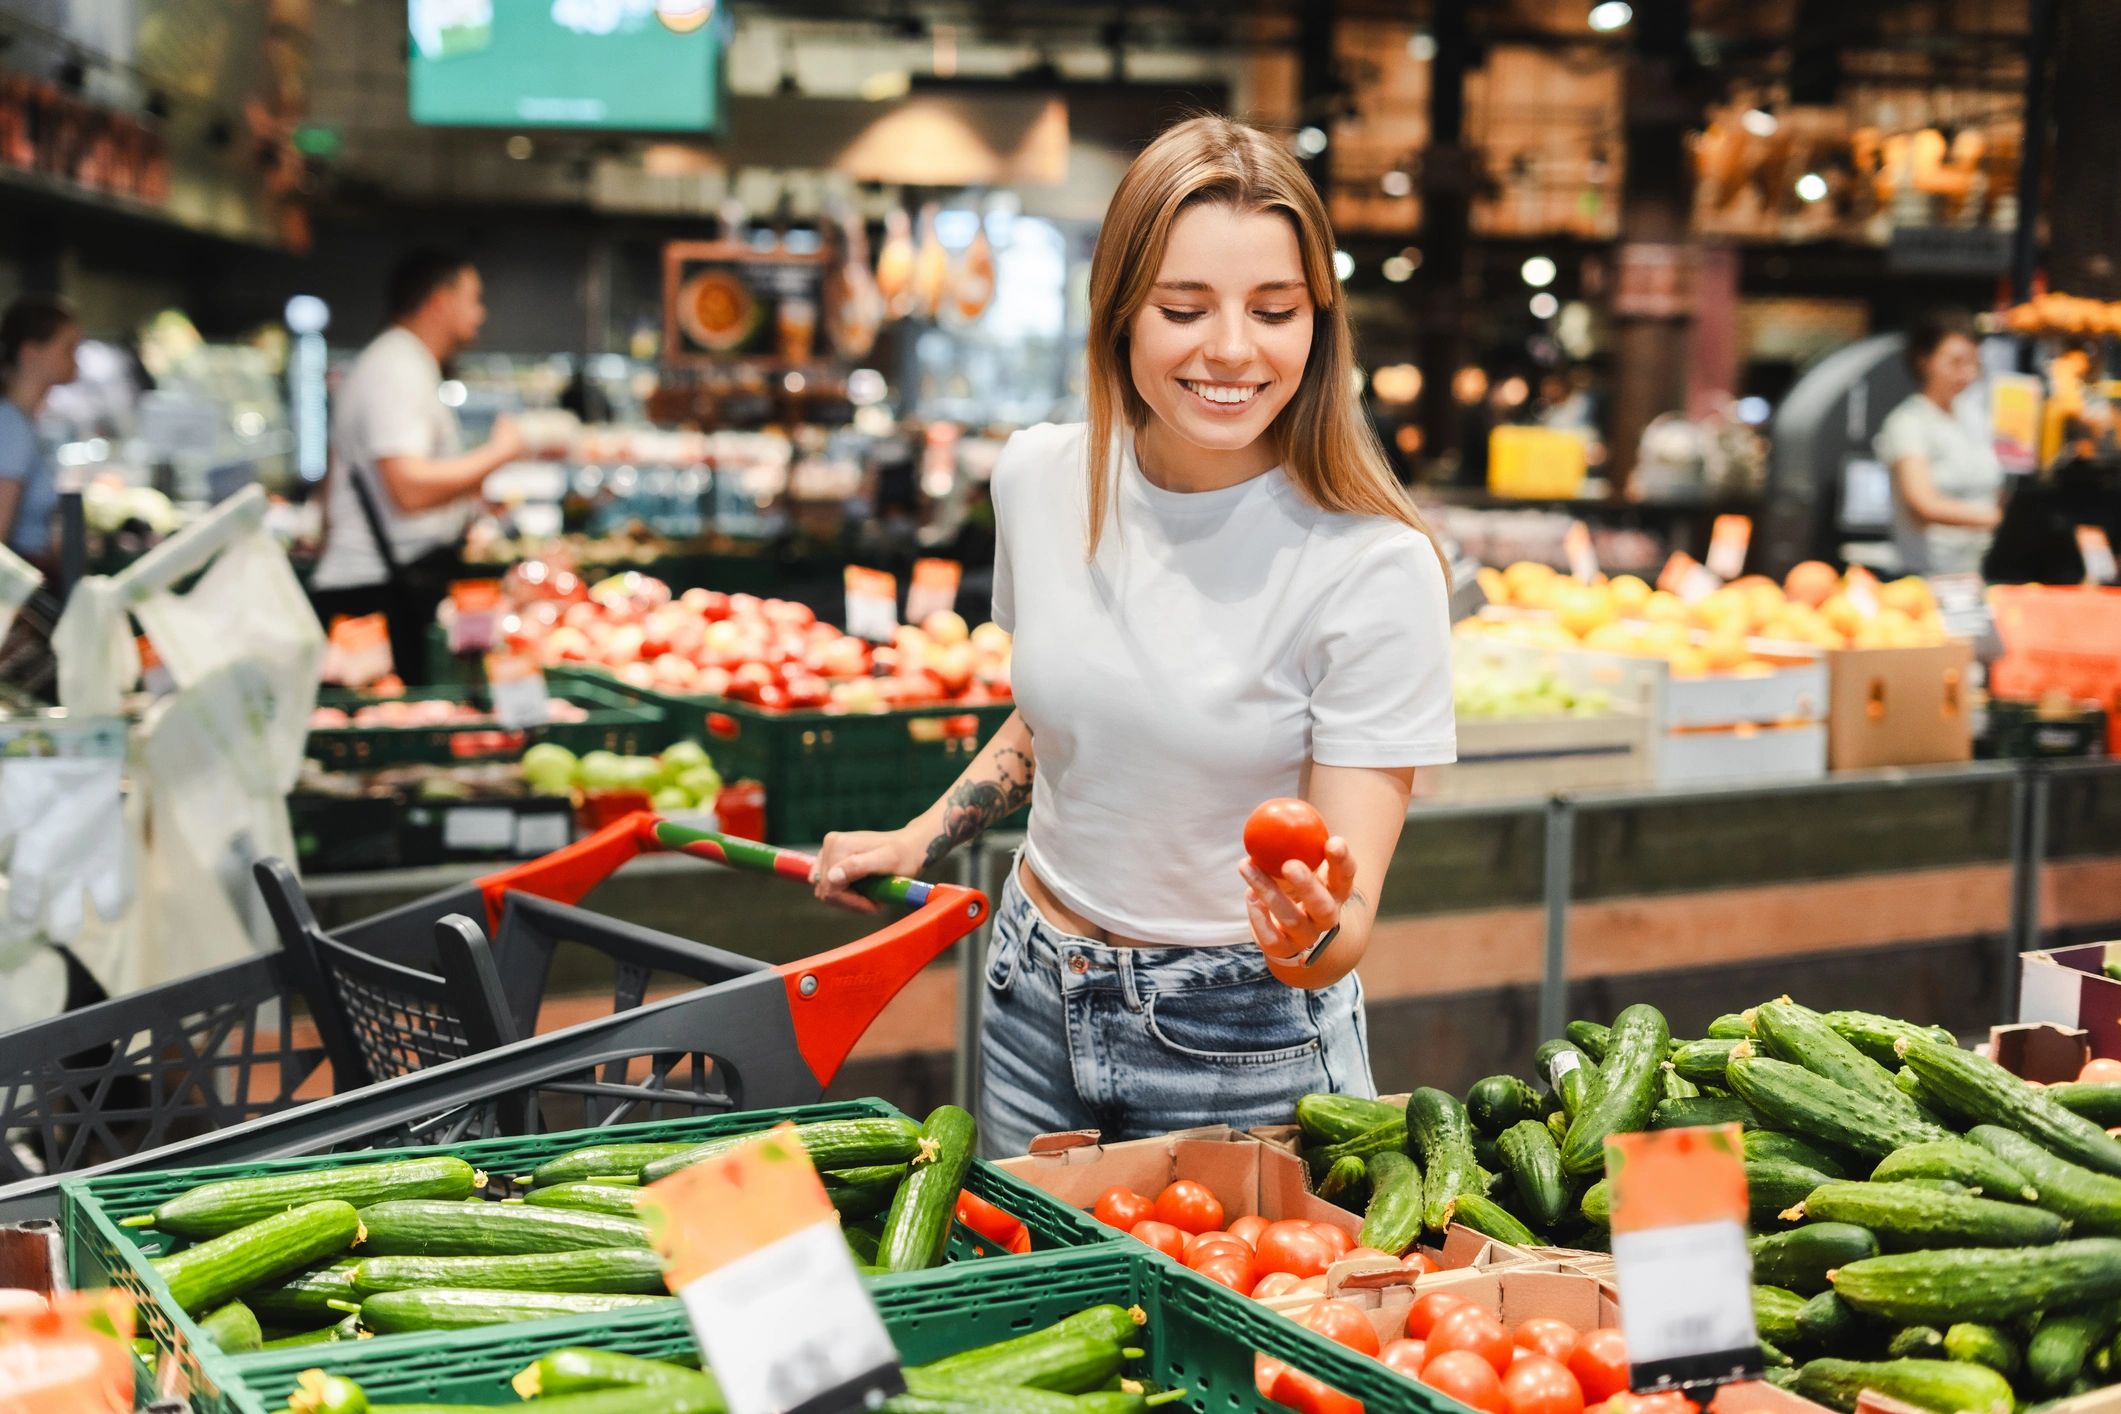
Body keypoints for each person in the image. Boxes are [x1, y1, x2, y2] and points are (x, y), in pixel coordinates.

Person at [811, 116, 1456, 1156]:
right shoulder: (1040, 478)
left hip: (1240, 1041)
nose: (1234, 349)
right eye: (1184, 308)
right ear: (1119, 314)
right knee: (1035, 1304)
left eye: (1275, 309)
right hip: (1029, 990)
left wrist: (1307, 937)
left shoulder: (1371, 565)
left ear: (1318, 324)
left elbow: (1348, 915)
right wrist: (924, 835)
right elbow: (1061, 715)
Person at [310, 247, 522, 683]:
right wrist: (502, 451)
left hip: (384, 585)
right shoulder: (396, 366)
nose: (481, 313)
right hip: (376, 596)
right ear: (441, 300)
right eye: (474, 298)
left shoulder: (402, 363)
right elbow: (408, 488)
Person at [1874, 310, 2004, 576]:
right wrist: (1995, 519)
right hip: (1928, 574)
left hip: (1981, 570)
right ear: (1924, 360)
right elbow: (1923, 503)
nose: (1966, 373)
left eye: (1974, 363)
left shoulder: (1976, 416)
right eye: (1956, 362)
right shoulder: (1908, 422)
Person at [0, 294, 81, 572]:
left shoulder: (24, 421)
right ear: (30, 353)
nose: (76, 360)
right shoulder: (11, 425)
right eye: (68, 348)